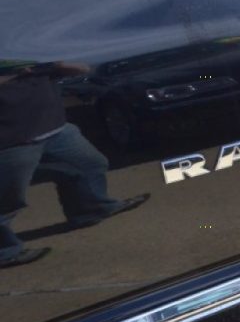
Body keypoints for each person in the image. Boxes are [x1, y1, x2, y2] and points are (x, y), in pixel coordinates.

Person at [0, 60, 148, 268]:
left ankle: (91, 209)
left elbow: (83, 68)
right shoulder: (13, 65)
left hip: (55, 129)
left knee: (89, 165)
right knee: (7, 198)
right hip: (10, 142)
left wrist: (54, 65)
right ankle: (5, 252)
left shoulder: (30, 56)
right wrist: (16, 73)